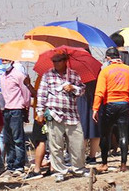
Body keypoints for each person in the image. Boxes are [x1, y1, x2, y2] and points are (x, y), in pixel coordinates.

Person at [35, 52, 87, 183]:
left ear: (65, 61)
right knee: (56, 145)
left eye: (59, 61)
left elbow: (82, 90)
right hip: (54, 113)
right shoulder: (48, 75)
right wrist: (40, 112)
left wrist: (73, 88)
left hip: (71, 114)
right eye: (54, 61)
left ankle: (78, 168)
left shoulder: (73, 74)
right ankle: (60, 171)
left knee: (78, 144)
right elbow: (41, 94)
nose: (56, 63)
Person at [93, 48, 129, 173]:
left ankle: (104, 163)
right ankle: (123, 165)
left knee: (105, 134)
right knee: (123, 134)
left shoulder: (105, 71)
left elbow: (100, 91)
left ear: (108, 58)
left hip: (109, 104)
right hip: (124, 104)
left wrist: (95, 108)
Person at [0, 58, 28, 175]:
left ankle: (19, 165)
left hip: (16, 109)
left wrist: (25, 108)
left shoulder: (19, 75)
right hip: (5, 109)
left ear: (11, 61)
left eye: (6, 60)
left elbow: (25, 92)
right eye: (3, 60)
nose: (4, 63)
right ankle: (10, 164)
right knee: (8, 139)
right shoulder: (3, 76)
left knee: (18, 139)